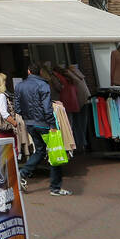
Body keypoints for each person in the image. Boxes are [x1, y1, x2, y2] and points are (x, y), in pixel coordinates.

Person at [16, 62, 70, 196]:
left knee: (39, 150)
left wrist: (26, 117)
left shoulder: (20, 86)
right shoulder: (43, 85)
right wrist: (52, 124)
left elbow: (17, 107)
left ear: (29, 72)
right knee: (54, 152)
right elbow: (47, 107)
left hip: (30, 123)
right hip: (43, 124)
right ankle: (55, 188)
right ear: (40, 72)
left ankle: (23, 173)